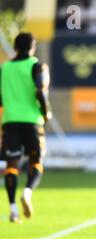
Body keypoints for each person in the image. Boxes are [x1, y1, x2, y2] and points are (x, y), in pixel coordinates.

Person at [0, 32, 52, 223]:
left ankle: (13, 210)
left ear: (14, 47)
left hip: (10, 121)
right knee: (36, 162)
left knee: (11, 167)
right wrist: (46, 112)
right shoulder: (37, 66)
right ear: (33, 47)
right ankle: (27, 193)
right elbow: (41, 90)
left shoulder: (3, 69)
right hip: (31, 120)